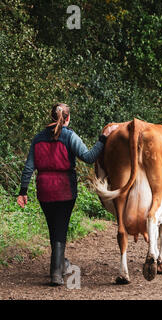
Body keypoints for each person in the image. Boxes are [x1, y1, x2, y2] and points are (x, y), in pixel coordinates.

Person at [16, 103, 118, 286]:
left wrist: (23, 191)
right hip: (65, 189)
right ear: (68, 118)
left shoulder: (38, 138)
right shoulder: (69, 136)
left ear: (51, 117)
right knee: (61, 228)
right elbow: (88, 157)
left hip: (44, 190)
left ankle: (60, 265)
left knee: (53, 228)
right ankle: (56, 273)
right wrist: (103, 139)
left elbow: (29, 167)